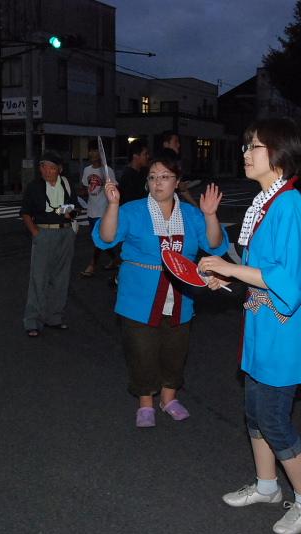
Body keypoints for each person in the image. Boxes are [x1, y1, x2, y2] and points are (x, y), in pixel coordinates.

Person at [198, 118, 301, 534]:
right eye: (247, 146)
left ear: (279, 153)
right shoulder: (268, 201)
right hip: (263, 318)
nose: (246, 153)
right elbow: (262, 269)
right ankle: (268, 486)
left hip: (283, 324)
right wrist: (230, 277)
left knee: (272, 417)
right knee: (254, 412)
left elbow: (286, 277)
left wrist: (229, 267)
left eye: (254, 146)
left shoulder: (289, 205)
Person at [94, 156, 227, 427]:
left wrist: (211, 215)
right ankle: (145, 403)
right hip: (139, 295)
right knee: (141, 350)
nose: (158, 182)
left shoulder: (191, 214)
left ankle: (169, 398)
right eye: (153, 177)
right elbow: (107, 238)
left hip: (181, 295)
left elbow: (214, 244)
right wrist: (113, 205)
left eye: (165, 176)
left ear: (177, 182)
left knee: (175, 350)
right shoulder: (132, 210)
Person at [21, 150, 76, 336]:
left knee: (61, 277)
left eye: (51, 167)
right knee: (39, 277)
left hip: (65, 233)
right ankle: (32, 321)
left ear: (59, 169)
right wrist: (35, 232)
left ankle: (54, 317)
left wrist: (71, 214)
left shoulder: (67, 184)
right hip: (44, 232)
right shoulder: (34, 187)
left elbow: (76, 207)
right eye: (43, 166)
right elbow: (25, 212)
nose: (46, 171)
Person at [79, 141, 118, 278]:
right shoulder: (87, 170)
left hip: (104, 212)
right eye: (90, 151)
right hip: (91, 210)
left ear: (101, 154)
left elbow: (115, 190)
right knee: (100, 239)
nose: (92, 153)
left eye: (95, 150)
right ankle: (116, 259)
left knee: (98, 240)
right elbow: (85, 188)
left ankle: (92, 265)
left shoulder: (108, 171)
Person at [119, 139, 150, 204]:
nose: (148, 157)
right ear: (135, 156)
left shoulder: (145, 171)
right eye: (145, 154)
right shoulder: (127, 176)